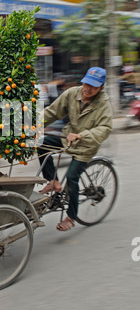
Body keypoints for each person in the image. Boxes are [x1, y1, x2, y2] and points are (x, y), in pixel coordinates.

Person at [37, 67, 113, 232]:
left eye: (93, 86)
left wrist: (82, 135)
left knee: (72, 177)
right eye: (86, 83)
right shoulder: (72, 93)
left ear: (101, 87)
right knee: (40, 143)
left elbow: (105, 128)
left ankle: (71, 217)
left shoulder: (103, 104)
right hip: (68, 139)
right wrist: (33, 126)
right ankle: (54, 182)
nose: (87, 88)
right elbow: (52, 112)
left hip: (86, 146)